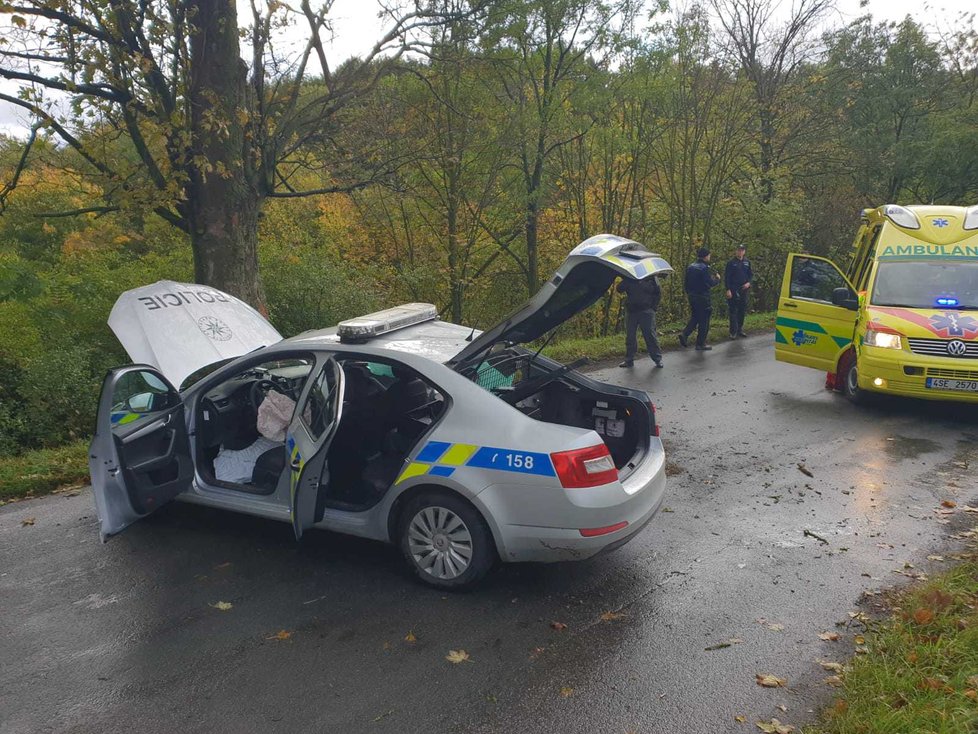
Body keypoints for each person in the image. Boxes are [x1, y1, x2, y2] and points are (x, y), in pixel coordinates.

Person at [617, 275, 663, 368]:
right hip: (632, 311)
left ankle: (657, 359)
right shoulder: (630, 277)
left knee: (650, 335)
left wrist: (653, 308)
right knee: (630, 336)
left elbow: (658, 293)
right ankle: (629, 360)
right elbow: (619, 289)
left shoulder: (651, 278)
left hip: (647, 311)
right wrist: (625, 278)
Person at [679, 246, 720, 351]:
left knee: (696, 317)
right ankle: (700, 343)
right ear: (706, 256)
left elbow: (686, 283)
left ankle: (685, 334)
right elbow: (708, 283)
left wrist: (689, 293)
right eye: (709, 255)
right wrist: (717, 279)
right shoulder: (704, 268)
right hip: (702, 297)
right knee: (704, 320)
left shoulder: (691, 267)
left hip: (692, 296)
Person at [724, 244, 753, 338]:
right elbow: (727, 277)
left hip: (744, 289)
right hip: (733, 289)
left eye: (742, 250)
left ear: (744, 251)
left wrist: (749, 283)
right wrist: (728, 289)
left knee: (742, 310)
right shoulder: (731, 263)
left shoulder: (747, 262)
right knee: (733, 310)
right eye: (738, 250)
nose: (740, 252)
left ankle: (740, 329)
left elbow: (750, 275)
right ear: (736, 251)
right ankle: (733, 331)